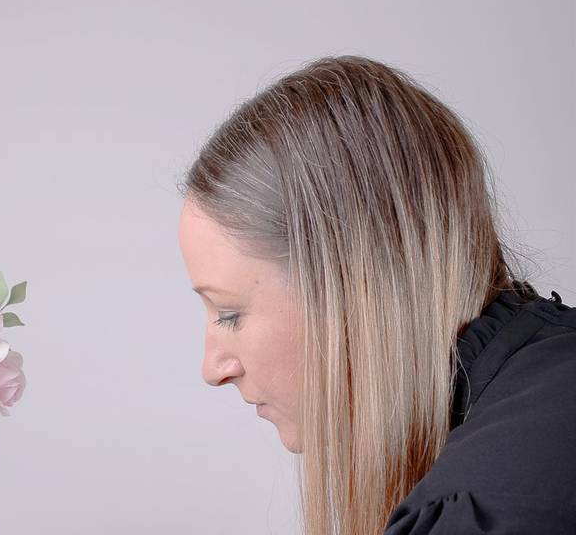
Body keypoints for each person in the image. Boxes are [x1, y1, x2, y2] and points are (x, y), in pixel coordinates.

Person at [175, 55, 576, 535]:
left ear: (350, 283)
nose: (213, 369)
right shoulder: (549, 379)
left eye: (229, 313)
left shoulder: (481, 511)